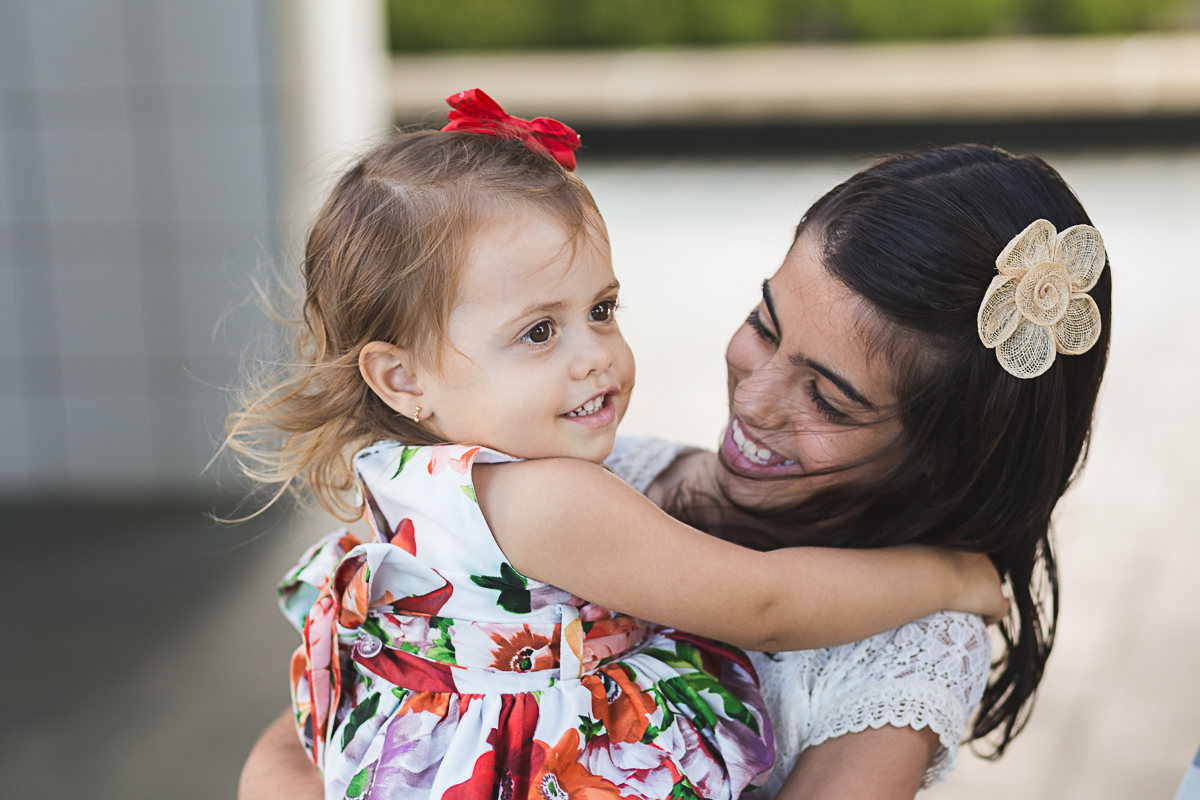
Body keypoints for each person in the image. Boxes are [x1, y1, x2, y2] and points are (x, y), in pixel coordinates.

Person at [226, 91, 1007, 800]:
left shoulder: (400, 487)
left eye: (601, 310)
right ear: (402, 378)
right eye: (539, 331)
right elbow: (764, 603)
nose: (594, 355)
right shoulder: (546, 496)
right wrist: (947, 574)